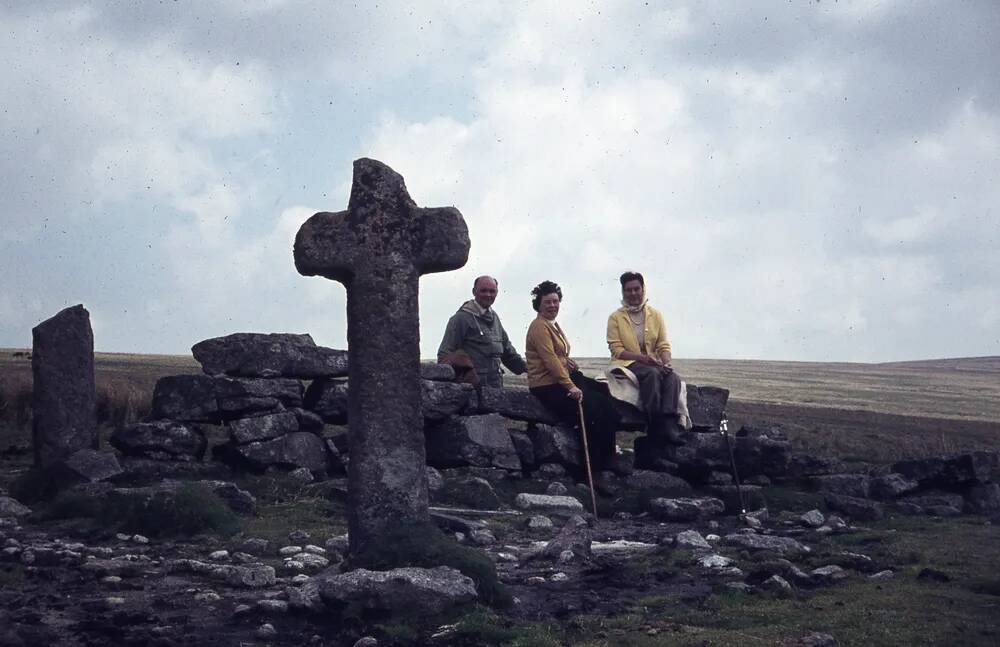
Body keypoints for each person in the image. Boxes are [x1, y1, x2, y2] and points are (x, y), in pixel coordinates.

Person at [525, 280, 621, 472]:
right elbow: (550, 361)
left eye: (555, 301)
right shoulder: (539, 327)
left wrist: (567, 361)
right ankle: (593, 471)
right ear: (539, 304)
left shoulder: (552, 324)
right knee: (593, 409)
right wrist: (570, 386)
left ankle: (610, 455)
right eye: (548, 302)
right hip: (547, 386)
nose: (552, 305)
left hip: (559, 379)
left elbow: (558, 356)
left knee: (607, 397)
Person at [606, 271, 686, 436]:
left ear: (643, 289)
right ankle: (655, 423)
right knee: (652, 375)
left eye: (637, 289)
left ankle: (669, 422)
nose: (633, 293)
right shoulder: (615, 318)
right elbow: (617, 350)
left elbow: (663, 345)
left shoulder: (656, 315)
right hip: (627, 363)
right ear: (623, 292)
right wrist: (642, 358)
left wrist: (666, 363)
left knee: (673, 377)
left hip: (653, 363)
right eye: (629, 290)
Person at [437, 275, 526, 388]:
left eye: (492, 291)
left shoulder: (495, 318)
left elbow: (508, 352)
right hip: (472, 391)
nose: (488, 295)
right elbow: (445, 355)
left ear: (497, 293)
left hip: (495, 387)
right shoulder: (461, 319)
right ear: (474, 292)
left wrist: (529, 369)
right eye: (483, 290)